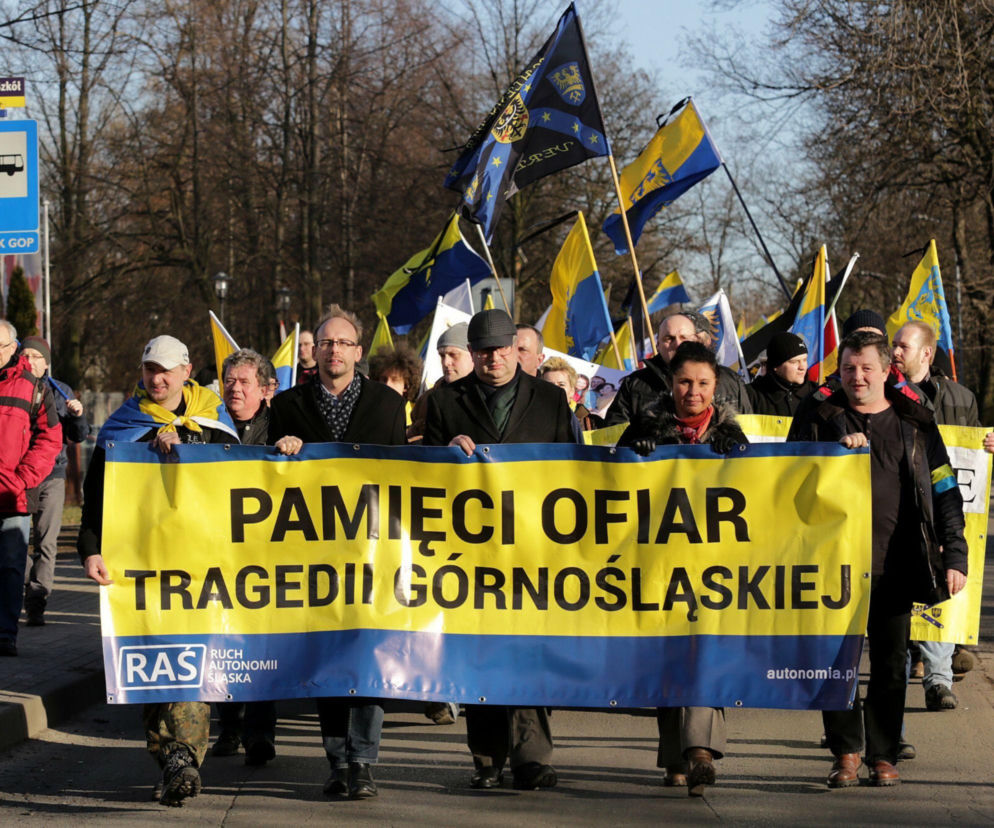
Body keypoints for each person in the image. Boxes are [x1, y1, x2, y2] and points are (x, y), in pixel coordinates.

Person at [789, 330, 968, 788]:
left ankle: (883, 755)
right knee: (836, 662)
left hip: (897, 562)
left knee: (891, 666)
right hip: (833, 566)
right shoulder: (818, 417)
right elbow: (785, 476)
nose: (857, 376)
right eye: (849, 368)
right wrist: (830, 452)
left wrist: (956, 554)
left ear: (889, 370)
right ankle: (845, 752)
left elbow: (946, 490)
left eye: (867, 367)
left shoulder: (917, 422)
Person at [78, 335, 239, 806]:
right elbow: (96, 500)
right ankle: (171, 759)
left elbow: (240, 482)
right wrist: (90, 550)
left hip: (202, 570)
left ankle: (182, 757)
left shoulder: (214, 423)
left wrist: (187, 447)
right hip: (141, 569)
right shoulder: (124, 425)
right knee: (152, 663)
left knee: (193, 663)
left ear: (187, 371)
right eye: (150, 368)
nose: (157, 377)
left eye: (167, 369)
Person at [424, 308, 577, 792]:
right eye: (484, 350)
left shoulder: (552, 400)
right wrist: (447, 451)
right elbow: (422, 472)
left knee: (530, 650)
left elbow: (574, 469)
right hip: (472, 549)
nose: (494, 358)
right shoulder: (445, 401)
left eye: (502, 347)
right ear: (472, 354)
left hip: (535, 545)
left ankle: (532, 756)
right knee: (481, 650)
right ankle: (487, 755)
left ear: (517, 347)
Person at [269, 304, 406, 801]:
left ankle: (364, 761)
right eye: (325, 342)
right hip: (315, 554)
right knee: (327, 658)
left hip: (373, 552)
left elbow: (404, 476)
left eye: (343, 343)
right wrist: (279, 451)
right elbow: (266, 482)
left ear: (358, 352)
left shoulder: (387, 406)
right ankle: (335, 761)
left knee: (368, 657)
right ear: (315, 350)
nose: (334, 350)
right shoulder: (286, 405)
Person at [619, 341, 747, 796]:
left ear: (717, 385)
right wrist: (636, 452)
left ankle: (701, 753)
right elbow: (612, 489)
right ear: (671, 383)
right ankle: (676, 756)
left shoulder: (732, 434)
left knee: (707, 656)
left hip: (715, 573)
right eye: (684, 382)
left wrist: (740, 457)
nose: (693, 391)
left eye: (703, 383)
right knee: (669, 661)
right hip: (660, 570)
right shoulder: (643, 425)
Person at [891, 321, 994, 709]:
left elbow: (968, 456)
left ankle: (939, 680)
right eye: (894, 345)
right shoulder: (886, 395)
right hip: (899, 514)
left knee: (940, 591)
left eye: (903, 345)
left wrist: (987, 448)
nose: (896, 352)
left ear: (926, 354)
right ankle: (897, 685)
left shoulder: (960, 397)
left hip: (941, 511)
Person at [210, 349, 281, 765]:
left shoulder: (280, 427)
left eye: (244, 382)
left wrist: (295, 448)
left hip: (266, 553)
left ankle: (260, 733)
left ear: (265, 389)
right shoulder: (206, 429)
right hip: (218, 551)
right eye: (229, 381)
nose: (235, 389)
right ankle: (229, 726)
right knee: (222, 640)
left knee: (261, 643)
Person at [0, 321, 62, 657]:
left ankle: (5, 633)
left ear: (11, 348)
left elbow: (50, 438)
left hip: (12, 495)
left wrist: (23, 479)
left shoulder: (34, 388)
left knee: (11, 566)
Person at [19, 335, 89, 627]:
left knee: (46, 542)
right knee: (17, 542)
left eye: (37, 357)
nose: (30, 361)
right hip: (19, 476)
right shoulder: (11, 386)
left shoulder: (61, 391)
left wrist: (77, 417)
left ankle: (38, 599)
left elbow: (78, 435)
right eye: (26, 355)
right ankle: (23, 588)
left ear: (46, 363)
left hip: (52, 475)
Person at [605, 313, 750, 427]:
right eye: (669, 338)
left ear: (695, 340)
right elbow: (616, 433)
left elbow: (749, 430)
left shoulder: (730, 381)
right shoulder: (635, 383)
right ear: (658, 344)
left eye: (683, 337)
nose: (677, 344)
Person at [408, 322, 474, 443]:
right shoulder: (426, 399)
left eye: (453, 355)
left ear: (472, 355)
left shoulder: (486, 394)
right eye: (442, 355)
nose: (446, 362)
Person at [745, 332, 816, 416]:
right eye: (794, 362)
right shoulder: (750, 396)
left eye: (804, 360)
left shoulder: (816, 394)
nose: (802, 367)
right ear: (776, 366)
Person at [368, 344, 422, 427]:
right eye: (384, 379)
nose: (387, 384)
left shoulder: (415, 415)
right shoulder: (367, 410)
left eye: (394, 380)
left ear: (406, 386)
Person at [539, 356, 596, 430]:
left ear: (572, 391)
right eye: (549, 385)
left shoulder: (588, 421)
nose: (556, 389)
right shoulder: (527, 415)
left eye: (561, 384)